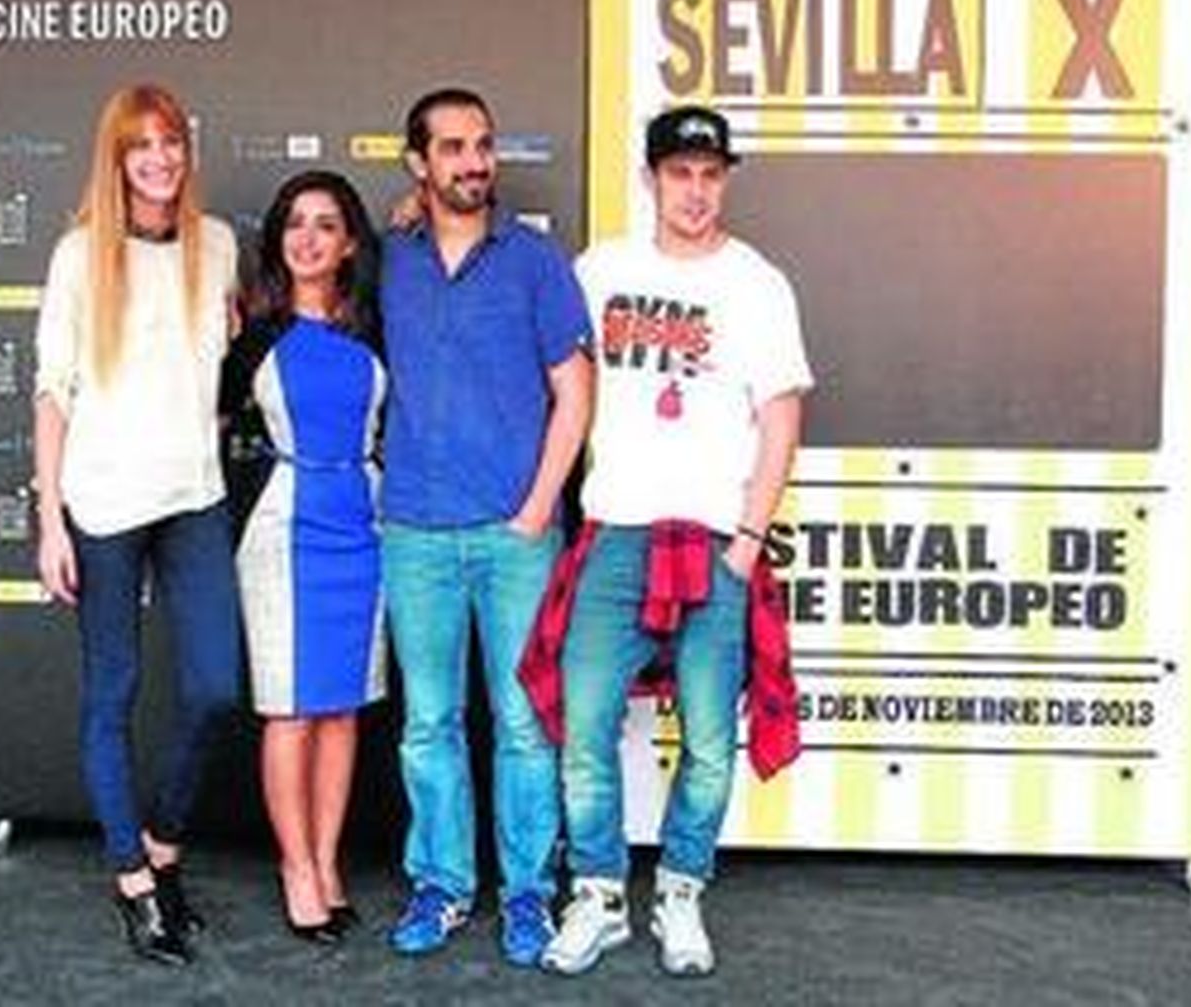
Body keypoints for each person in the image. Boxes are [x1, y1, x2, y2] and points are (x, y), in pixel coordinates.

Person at [537, 104, 812, 977]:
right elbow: (537, 340)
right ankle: (601, 896)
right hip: (616, 527)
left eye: (709, 174)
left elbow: (780, 419)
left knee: (706, 737)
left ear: (723, 179)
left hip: (712, 535)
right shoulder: (600, 268)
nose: (695, 191)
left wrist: (746, 542)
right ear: (651, 177)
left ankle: (682, 891)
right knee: (585, 728)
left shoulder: (757, 282)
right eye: (679, 173)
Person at [379, 87, 593, 966]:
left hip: (516, 535)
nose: (474, 163)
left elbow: (575, 393)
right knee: (428, 721)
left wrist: (538, 506)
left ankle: (530, 896)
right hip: (414, 531)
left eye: (484, 146)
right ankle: (442, 883)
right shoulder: (386, 257)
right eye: (454, 148)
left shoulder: (536, 262)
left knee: (521, 722)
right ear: (418, 165)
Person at [32, 83, 241, 966]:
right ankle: (133, 880)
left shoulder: (220, 244)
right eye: (140, 146)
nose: (159, 159)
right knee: (110, 693)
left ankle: (161, 844)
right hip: (103, 502)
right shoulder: (82, 255)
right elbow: (53, 390)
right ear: (116, 160)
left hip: (194, 494)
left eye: (170, 143)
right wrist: (51, 519)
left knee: (215, 688)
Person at [223, 170, 387, 945]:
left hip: (365, 525)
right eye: (295, 223)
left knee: (342, 705)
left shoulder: (375, 330)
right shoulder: (253, 334)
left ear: (350, 241)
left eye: (327, 224)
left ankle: (327, 861)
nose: (309, 237)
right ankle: (296, 868)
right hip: (283, 526)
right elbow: (199, 415)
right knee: (291, 708)